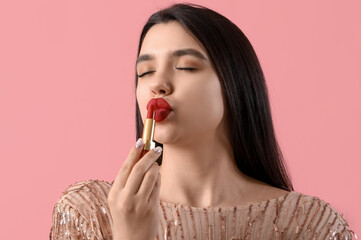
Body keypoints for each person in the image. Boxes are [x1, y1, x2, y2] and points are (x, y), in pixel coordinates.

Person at [50, 3, 355, 240]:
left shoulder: (309, 224)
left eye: (185, 66)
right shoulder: (87, 213)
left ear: (234, 85)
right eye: (145, 73)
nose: (159, 85)